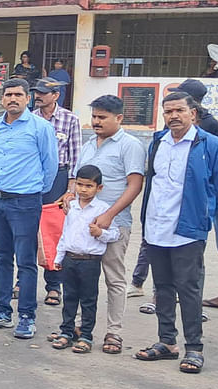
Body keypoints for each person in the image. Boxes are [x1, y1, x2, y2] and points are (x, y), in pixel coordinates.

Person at [133, 92, 218, 374]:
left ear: (193, 113)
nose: (173, 116)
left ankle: (194, 348)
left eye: (179, 111)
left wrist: (202, 215)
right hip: (156, 227)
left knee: (188, 289)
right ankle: (167, 342)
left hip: (188, 231)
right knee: (162, 287)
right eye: (168, 111)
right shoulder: (158, 142)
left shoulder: (210, 145)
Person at [0, 78, 59, 339]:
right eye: (8, 94)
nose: (12, 99)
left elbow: (50, 166)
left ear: (27, 99)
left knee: (25, 261)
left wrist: (33, 191)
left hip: (25, 201)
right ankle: (2, 311)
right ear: (3, 99)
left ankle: (26, 316)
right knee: (1, 257)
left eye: (18, 95)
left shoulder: (40, 127)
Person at [75, 95, 145, 353]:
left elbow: (135, 185)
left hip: (115, 223)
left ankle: (114, 333)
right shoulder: (88, 145)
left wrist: (109, 216)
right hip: (86, 222)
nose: (96, 121)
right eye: (94, 116)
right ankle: (83, 326)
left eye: (102, 117)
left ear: (119, 118)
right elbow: (78, 179)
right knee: (84, 277)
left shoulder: (130, 145)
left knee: (114, 278)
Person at [50, 165, 120, 353]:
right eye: (80, 185)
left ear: (99, 188)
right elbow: (66, 233)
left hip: (90, 260)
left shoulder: (103, 209)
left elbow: (115, 234)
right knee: (70, 297)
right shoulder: (71, 206)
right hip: (70, 258)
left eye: (88, 186)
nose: (83, 189)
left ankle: (86, 335)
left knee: (88, 299)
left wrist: (100, 233)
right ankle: (66, 332)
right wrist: (59, 257)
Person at [33, 77, 81, 308]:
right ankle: (24, 281)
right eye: (37, 92)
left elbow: (75, 158)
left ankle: (53, 285)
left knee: (53, 233)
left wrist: (71, 190)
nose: (38, 96)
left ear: (56, 95)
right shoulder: (29, 119)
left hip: (59, 180)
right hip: (32, 178)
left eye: (43, 92)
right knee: (27, 231)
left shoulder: (70, 120)